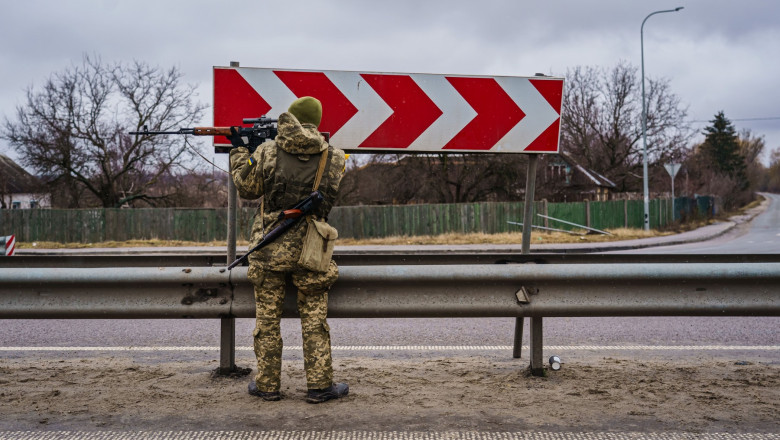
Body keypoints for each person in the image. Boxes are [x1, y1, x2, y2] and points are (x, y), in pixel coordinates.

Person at [229, 96, 348, 403]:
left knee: (267, 321)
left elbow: (246, 187)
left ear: (290, 118)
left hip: (270, 248)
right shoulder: (334, 157)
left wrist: (240, 151)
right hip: (311, 250)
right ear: (316, 123)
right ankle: (320, 387)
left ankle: (268, 386)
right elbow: (328, 199)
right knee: (314, 321)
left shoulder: (267, 151)